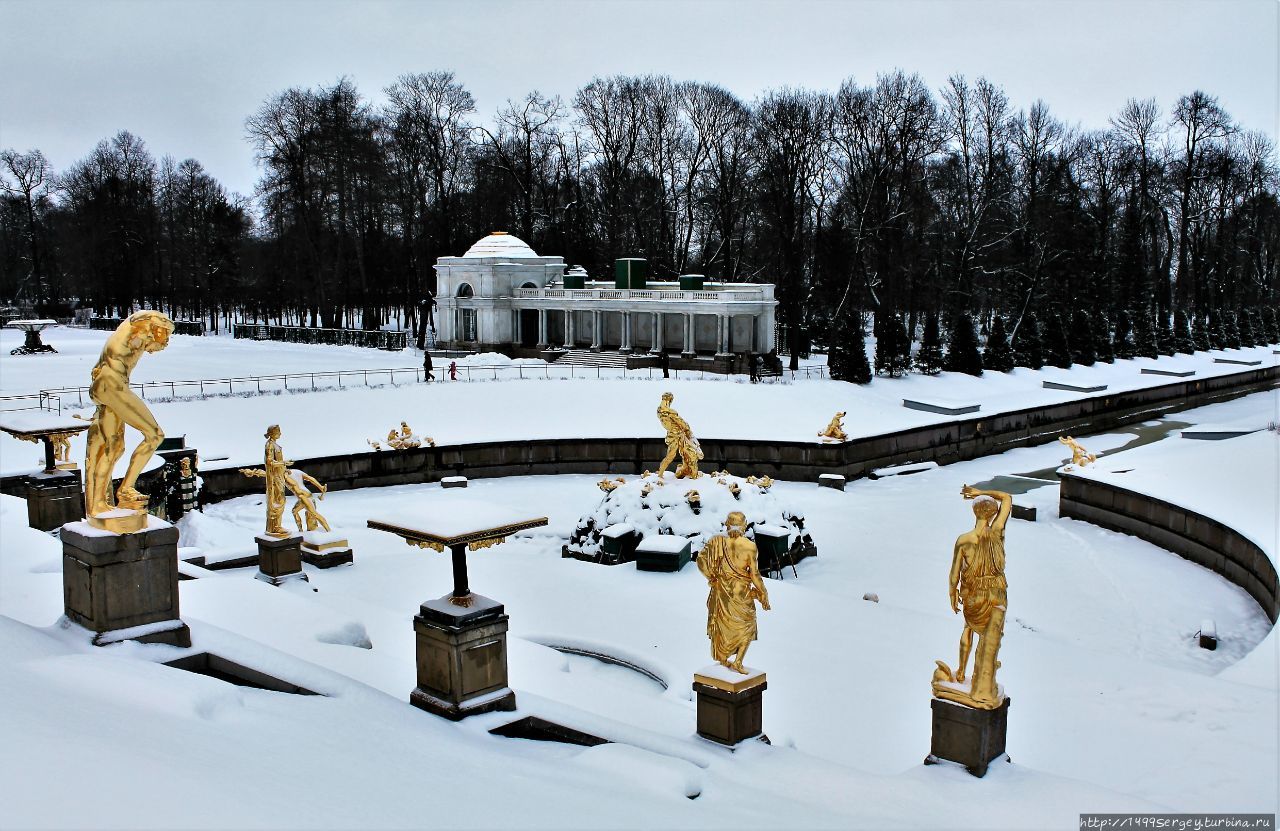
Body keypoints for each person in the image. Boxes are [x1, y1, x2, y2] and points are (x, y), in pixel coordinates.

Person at [83, 310, 175, 519]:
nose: (166, 342)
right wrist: (155, 321)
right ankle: (125, 488)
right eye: (166, 335)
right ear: (157, 328)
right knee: (155, 435)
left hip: (106, 385)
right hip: (112, 386)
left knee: (113, 448)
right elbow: (140, 318)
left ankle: (97, 502)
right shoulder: (136, 327)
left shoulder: (133, 341)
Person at [932, 485, 1013, 709]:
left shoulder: (964, 540)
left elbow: (954, 572)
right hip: (996, 592)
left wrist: (952, 592)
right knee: (991, 637)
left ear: (974, 512)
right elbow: (1007, 496)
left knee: (968, 628)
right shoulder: (997, 532)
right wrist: (980, 493)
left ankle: (961, 672)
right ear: (993, 513)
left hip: (973, 594)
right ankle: (982, 678)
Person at [698, 511, 770, 673]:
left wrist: (712, 577)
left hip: (722, 591)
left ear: (727, 524)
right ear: (744, 525)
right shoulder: (750, 547)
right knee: (748, 626)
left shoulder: (716, 542)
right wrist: (763, 592)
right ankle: (737, 661)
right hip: (741, 592)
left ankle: (724, 658)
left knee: (723, 625)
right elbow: (755, 574)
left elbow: (701, 561)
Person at [655, 392, 702, 479]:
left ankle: (661, 474)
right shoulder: (670, 412)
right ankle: (694, 475)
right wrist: (688, 430)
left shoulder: (659, 411)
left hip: (671, 435)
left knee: (672, 455)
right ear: (670, 400)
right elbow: (681, 422)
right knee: (690, 453)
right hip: (678, 435)